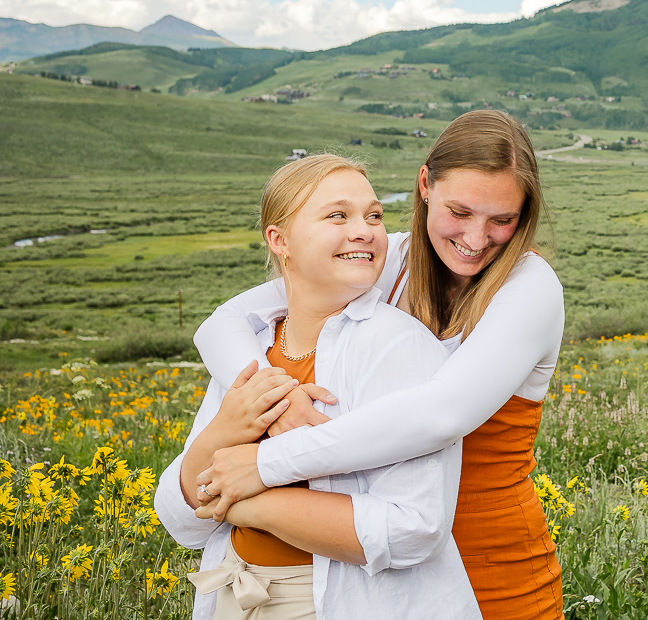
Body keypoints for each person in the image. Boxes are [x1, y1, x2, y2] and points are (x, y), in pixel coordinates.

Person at [191, 110, 565, 620]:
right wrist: (276, 397)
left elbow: (439, 416)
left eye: (503, 220)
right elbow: (224, 322)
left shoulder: (530, 285)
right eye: (460, 211)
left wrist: (265, 465)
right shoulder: (387, 257)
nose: (477, 239)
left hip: (492, 560)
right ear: (424, 185)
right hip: (377, 579)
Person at [155, 154, 481, 620]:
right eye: (337, 215)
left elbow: (415, 528)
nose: (366, 230)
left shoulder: (398, 345)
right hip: (233, 594)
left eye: (373, 215)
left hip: (339, 604)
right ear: (279, 240)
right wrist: (224, 429)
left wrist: (250, 502)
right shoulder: (256, 348)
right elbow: (179, 516)